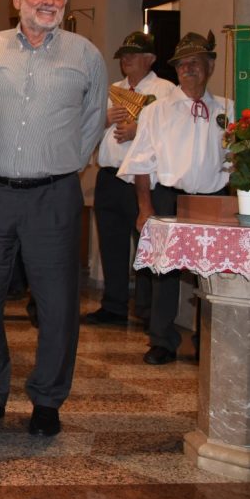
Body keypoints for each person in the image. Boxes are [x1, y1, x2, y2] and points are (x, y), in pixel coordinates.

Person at [0, 0, 105, 437]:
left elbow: (92, 121)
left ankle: (47, 400)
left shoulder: (86, 56)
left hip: (52, 196)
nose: (48, 1)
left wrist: (63, 165)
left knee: (57, 305)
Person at [118, 31, 233, 365]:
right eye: (182, 64)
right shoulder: (157, 111)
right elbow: (142, 163)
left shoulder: (228, 109)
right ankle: (162, 340)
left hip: (214, 199)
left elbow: (236, 159)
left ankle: (206, 341)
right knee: (163, 271)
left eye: (195, 62)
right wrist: (145, 208)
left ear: (210, 66)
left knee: (211, 273)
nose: (188, 69)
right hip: (169, 196)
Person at [85, 31, 177, 328]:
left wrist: (140, 129)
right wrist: (104, 120)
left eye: (133, 54)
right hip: (109, 177)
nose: (126, 59)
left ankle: (148, 310)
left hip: (143, 181)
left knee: (146, 245)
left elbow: (173, 131)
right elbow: (89, 130)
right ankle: (114, 305)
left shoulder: (165, 90)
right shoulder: (114, 89)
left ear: (150, 59)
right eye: (123, 55)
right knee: (110, 243)